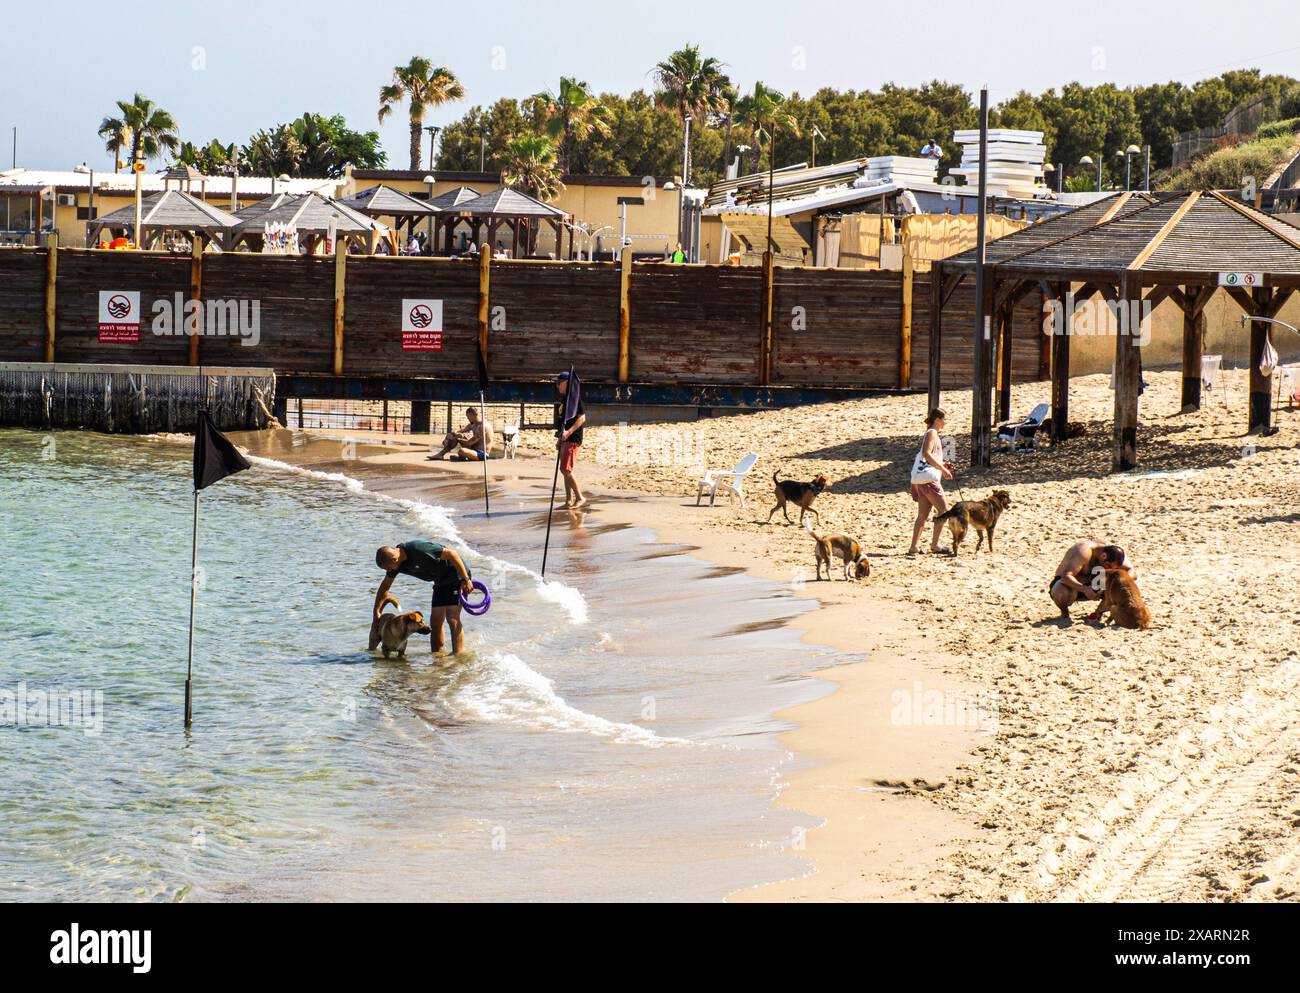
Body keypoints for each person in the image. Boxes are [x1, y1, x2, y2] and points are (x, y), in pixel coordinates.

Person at [373, 540, 474, 655]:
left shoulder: (418, 549)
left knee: (452, 617)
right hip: (440, 581)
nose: (389, 571)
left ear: (394, 559)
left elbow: (452, 554)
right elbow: (385, 586)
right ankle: (437, 656)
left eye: (389, 568)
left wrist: (465, 579)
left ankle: (457, 655)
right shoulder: (396, 564)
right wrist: (376, 610)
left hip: (456, 576)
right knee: (435, 621)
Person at [907, 407, 955, 556]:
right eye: (944, 419)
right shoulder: (932, 433)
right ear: (937, 420)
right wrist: (942, 469)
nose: (945, 422)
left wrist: (942, 464)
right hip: (928, 479)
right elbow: (926, 454)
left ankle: (914, 546)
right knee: (944, 511)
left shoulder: (932, 433)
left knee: (923, 514)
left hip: (921, 479)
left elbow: (929, 456)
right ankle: (935, 545)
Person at [1049, 541, 1135, 617]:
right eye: (1108, 566)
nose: (1108, 569)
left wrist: (1116, 582)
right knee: (1062, 590)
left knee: (1123, 585)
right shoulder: (1083, 551)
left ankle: (1098, 613)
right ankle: (1064, 613)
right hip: (1071, 585)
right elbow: (1066, 576)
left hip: (1093, 585)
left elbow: (1132, 572)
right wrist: (1085, 589)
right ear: (1103, 556)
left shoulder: (1116, 555)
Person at [554, 372, 586, 508]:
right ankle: (568, 500)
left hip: (573, 438)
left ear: (567, 383)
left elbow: (582, 417)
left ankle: (579, 497)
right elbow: (563, 422)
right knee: (563, 469)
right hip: (565, 438)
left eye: (559, 383)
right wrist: (560, 438)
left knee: (566, 469)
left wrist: (568, 432)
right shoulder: (564, 400)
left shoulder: (574, 398)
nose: (557, 386)